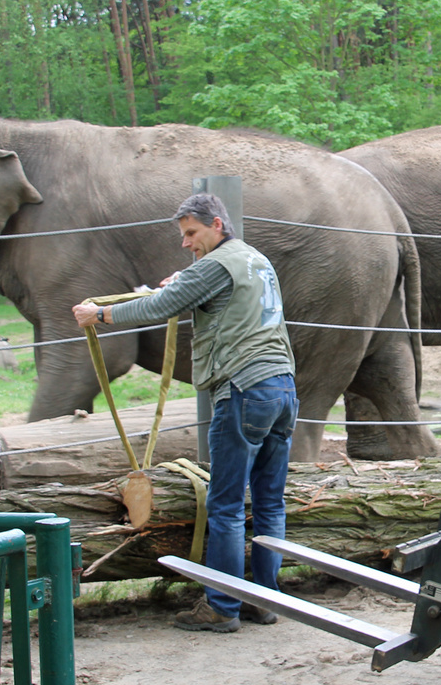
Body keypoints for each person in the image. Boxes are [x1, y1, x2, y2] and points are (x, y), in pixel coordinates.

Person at [73, 193, 296, 633]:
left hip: (243, 389)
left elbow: (159, 306)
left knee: (227, 505)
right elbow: (212, 290)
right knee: (269, 502)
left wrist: (100, 314)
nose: (185, 243)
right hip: (283, 387)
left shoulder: (215, 265)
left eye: (191, 233)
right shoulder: (254, 259)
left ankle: (222, 606)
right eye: (183, 235)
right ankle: (265, 599)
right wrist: (189, 277)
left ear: (216, 223)